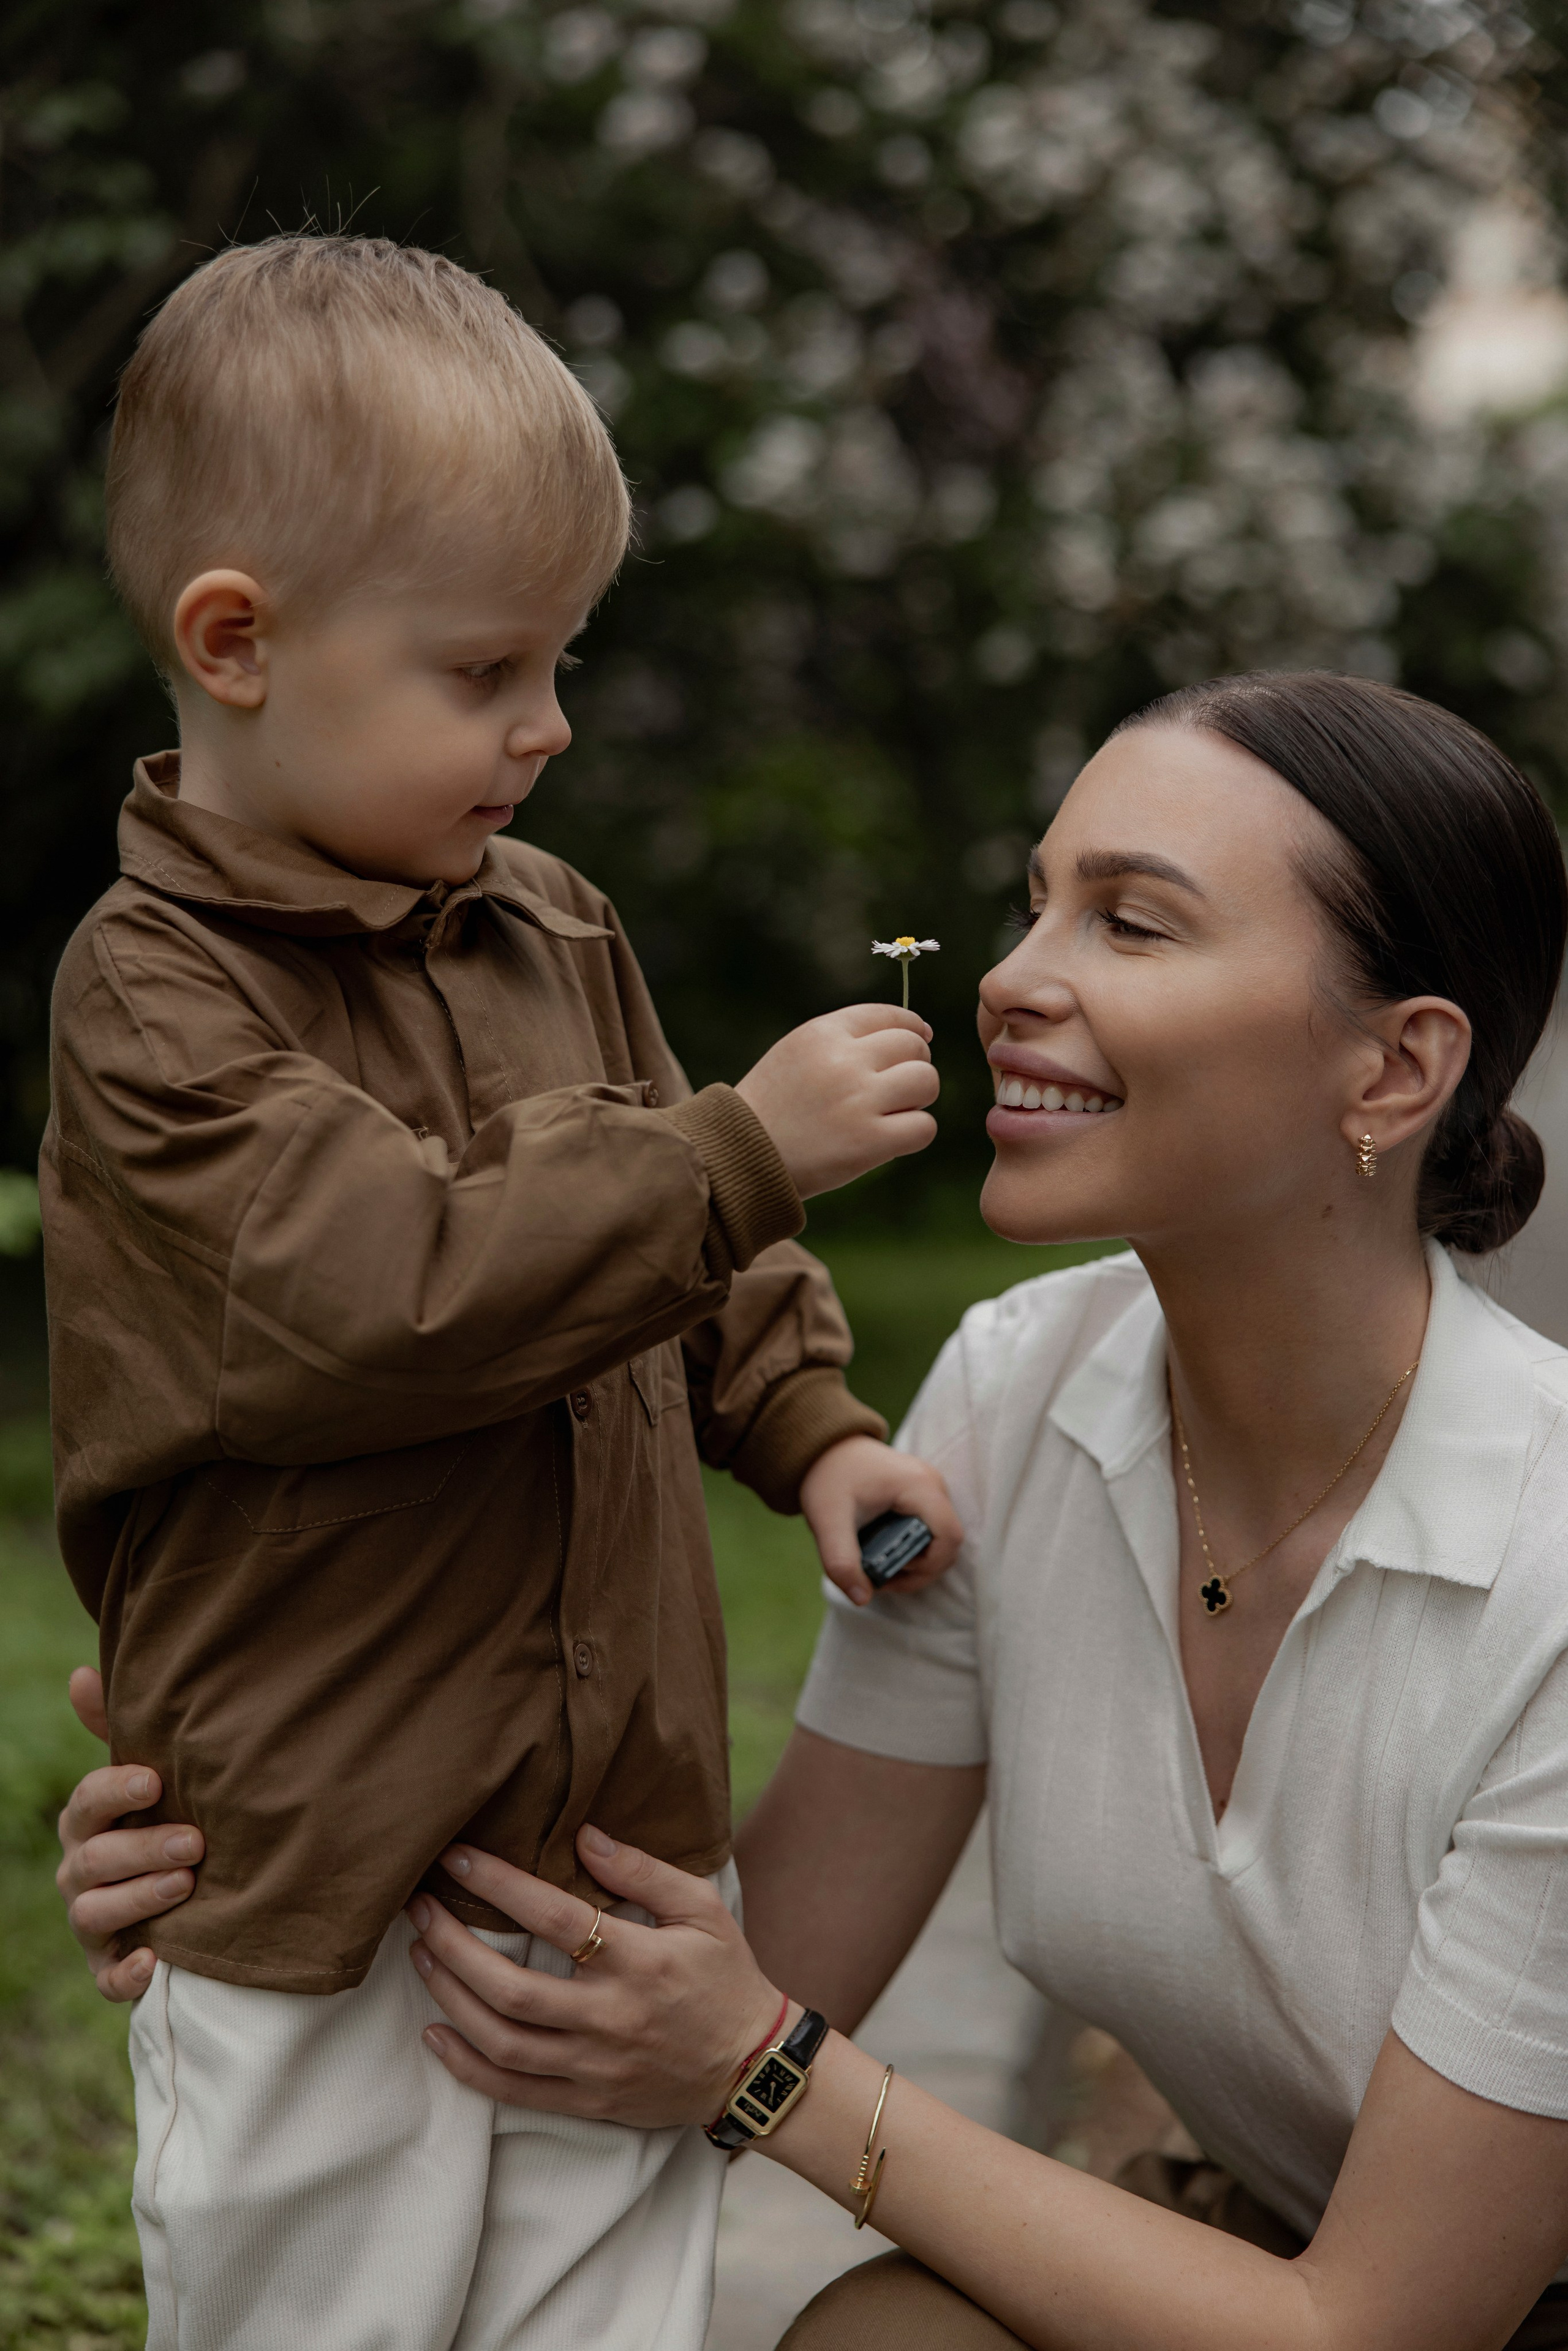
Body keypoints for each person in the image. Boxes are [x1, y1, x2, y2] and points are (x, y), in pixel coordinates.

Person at [66, 669, 1568, 2349]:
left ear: (1393, 1071)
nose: (1008, 980)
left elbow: (1374, 2329)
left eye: (1132, 928)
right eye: (1033, 907)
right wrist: (288, 1821)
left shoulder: (1550, 1568)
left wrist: (772, 2068)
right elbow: (729, 1963)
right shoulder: (1021, 1394)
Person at [41, 230, 963, 2351]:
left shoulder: (551, 921)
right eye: (484, 671)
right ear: (239, 640)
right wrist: (738, 1146)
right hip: (311, 1843)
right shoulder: (154, 994)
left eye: (560, 663)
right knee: (324, 2297)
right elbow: (390, 1287)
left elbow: (685, 1277)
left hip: (604, 1833)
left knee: (596, 2296)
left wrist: (810, 1425)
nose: (544, 727)